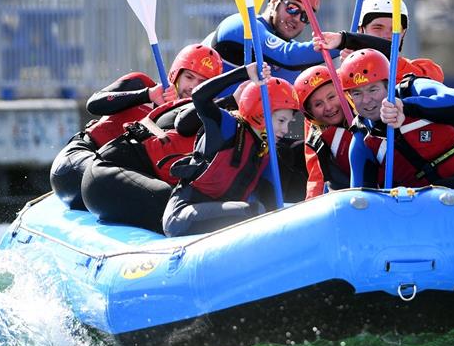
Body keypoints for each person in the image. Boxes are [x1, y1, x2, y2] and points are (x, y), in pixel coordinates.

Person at [340, 48, 454, 213]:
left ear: (388, 87)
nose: (366, 100)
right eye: (357, 93)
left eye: (373, 89)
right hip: (432, 206)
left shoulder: (414, 89)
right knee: (412, 202)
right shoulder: (362, 140)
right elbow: (360, 204)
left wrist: (407, 108)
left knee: (426, 199)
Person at [49, 44, 219, 211]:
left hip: (116, 173)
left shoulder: (197, 122)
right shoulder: (141, 83)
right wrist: (147, 94)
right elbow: (94, 104)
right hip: (80, 160)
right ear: (175, 74)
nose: (193, 87)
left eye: (202, 82)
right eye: (189, 77)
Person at [162, 63, 299, 237]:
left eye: (288, 123)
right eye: (281, 121)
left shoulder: (264, 150)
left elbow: (272, 203)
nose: (286, 130)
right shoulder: (227, 126)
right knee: (254, 211)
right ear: (260, 112)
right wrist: (244, 72)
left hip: (222, 217)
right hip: (182, 217)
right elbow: (200, 97)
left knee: (266, 213)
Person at [202, 0, 341, 89]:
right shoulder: (242, 25)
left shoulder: (296, 64)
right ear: (274, 0)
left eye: (306, 16)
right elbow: (289, 56)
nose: (297, 18)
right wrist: (346, 41)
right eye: (293, 8)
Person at [315, 0, 444, 83]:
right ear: (361, 30)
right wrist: (351, 71)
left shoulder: (426, 69)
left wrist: (346, 40)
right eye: (377, 28)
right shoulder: (336, 81)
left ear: (403, 33)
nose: (387, 35)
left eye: (395, 29)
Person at [294, 65, 354, 198]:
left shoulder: (364, 107)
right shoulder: (317, 137)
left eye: (332, 97)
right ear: (310, 114)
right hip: (348, 198)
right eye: (318, 104)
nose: (328, 107)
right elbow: (316, 178)